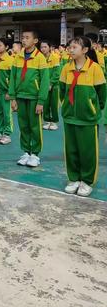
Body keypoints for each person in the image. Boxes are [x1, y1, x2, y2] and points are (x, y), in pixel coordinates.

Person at [60, 36, 106, 197]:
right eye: (70, 47)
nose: (70, 50)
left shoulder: (95, 68)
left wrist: (92, 109)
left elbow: (101, 94)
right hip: (69, 117)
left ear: (85, 50)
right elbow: (62, 91)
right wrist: (66, 106)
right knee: (71, 150)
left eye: (74, 47)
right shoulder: (66, 68)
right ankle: (74, 178)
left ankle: (86, 181)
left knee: (87, 151)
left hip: (87, 118)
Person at [9, 30, 49, 168]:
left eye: (27, 38)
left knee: (35, 126)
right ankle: (26, 152)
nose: (24, 40)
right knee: (23, 125)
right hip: (20, 97)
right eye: (23, 38)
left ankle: (35, 154)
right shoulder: (17, 57)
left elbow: (44, 81)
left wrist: (41, 101)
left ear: (35, 41)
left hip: (34, 98)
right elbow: (13, 79)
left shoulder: (40, 58)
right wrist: (12, 97)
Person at [40, 41, 61, 131]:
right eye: (41, 47)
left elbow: (57, 72)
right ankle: (47, 121)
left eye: (45, 47)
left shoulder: (55, 57)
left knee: (54, 104)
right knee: (45, 103)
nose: (43, 49)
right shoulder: (40, 58)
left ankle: (54, 122)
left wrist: (51, 83)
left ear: (49, 47)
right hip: (44, 85)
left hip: (54, 86)